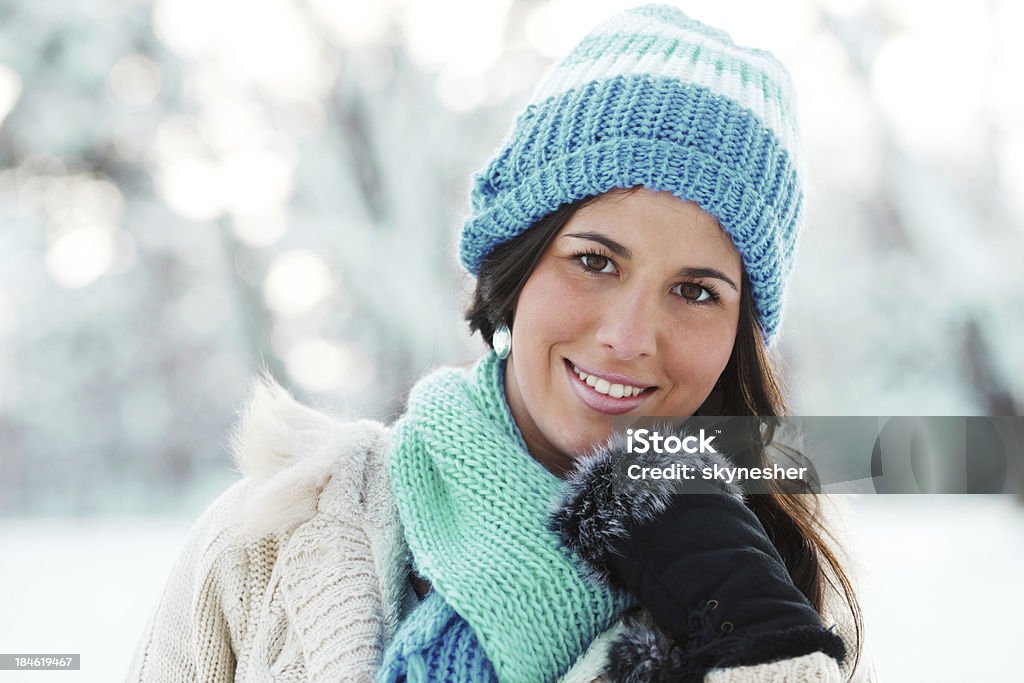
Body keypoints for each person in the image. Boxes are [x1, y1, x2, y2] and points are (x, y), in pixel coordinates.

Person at [128, 5, 875, 681]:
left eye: (695, 290)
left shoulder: (779, 596)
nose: (628, 337)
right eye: (595, 261)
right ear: (517, 263)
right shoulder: (276, 534)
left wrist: (762, 653)